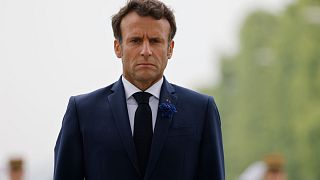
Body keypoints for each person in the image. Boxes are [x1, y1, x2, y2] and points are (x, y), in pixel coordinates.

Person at [54, 0, 224, 179]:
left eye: (155, 41)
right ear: (117, 47)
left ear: (170, 48)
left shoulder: (201, 110)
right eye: (135, 40)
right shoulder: (82, 112)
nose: (146, 50)